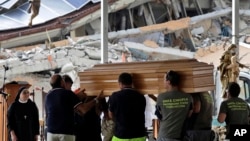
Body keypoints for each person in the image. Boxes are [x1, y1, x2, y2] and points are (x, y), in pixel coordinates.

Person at [45, 74, 103, 141]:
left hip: (50, 132)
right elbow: (83, 109)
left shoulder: (48, 96)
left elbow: (62, 102)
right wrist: (97, 99)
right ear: (61, 82)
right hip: (65, 132)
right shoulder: (68, 93)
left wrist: (77, 96)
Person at [62, 74, 106, 141]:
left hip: (92, 128)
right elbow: (82, 110)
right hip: (82, 129)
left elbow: (104, 110)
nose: (70, 90)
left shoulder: (77, 94)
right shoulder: (75, 95)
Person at [155, 70, 193, 141]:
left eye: (164, 80)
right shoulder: (188, 97)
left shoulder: (161, 97)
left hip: (164, 135)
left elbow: (159, 116)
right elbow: (189, 115)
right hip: (180, 136)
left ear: (168, 82)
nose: (163, 82)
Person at [109, 72, 147, 141]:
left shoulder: (114, 96)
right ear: (132, 83)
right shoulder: (141, 97)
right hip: (139, 135)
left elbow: (111, 115)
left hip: (121, 135)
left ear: (120, 83)